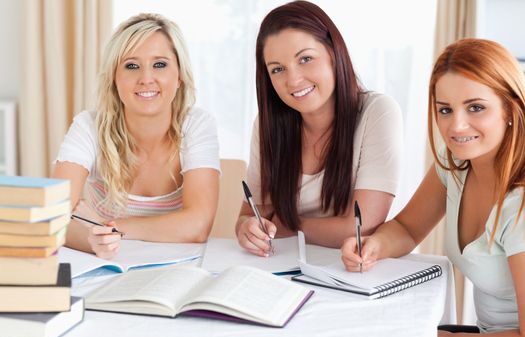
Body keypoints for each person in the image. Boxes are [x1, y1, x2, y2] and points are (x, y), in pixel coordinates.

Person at [342, 38, 525, 337]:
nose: (457, 125)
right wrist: (374, 246)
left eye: (475, 107)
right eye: (445, 109)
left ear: (510, 107)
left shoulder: (519, 204)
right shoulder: (456, 164)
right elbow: (408, 228)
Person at [236, 0, 403, 257]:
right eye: (278, 69)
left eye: (305, 59)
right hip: (282, 269)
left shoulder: (377, 112)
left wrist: (286, 225)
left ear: (334, 54)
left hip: (349, 271)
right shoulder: (267, 125)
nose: (293, 80)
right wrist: (247, 228)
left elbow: (361, 227)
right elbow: (253, 213)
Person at [53, 13, 220, 259]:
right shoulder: (88, 127)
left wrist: (109, 226)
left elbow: (198, 226)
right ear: (114, 78)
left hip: (177, 271)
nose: (146, 79)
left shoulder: (196, 125)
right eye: (131, 66)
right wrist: (93, 240)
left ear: (180, 75)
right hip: (111, 268)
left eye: (160, 64)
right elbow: (54, 219)